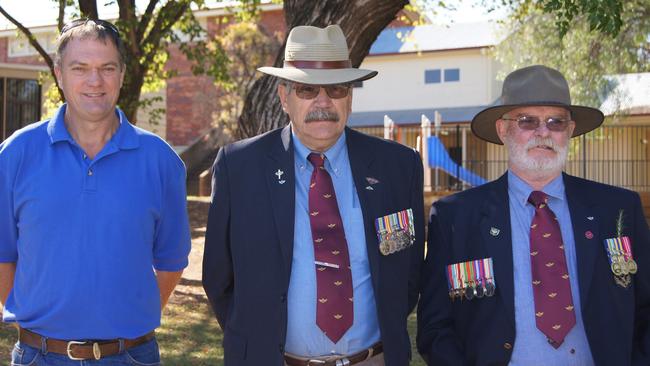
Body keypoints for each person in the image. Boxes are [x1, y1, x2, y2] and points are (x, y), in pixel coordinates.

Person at [202, 24, 424, 366]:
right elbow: (219, 278)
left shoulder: (398, 166)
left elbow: (407, 275)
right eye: (307, 89)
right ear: (283, 97)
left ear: (349, 96)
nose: (323, 102)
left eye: (335, 89)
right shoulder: (240, 167)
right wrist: (255, 337)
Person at [416, 64, 650, 365]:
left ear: (570, 130)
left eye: (556, 122)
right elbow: (435, 327)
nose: (543, 133)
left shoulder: (617, 209)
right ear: (503, 130)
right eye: (527, 121)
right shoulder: (455, 218)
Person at [0, 19, 191, 365]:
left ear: (122, 75)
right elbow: (2, 256)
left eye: (107, 68)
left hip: (132, 356)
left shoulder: (161, 161)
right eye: (80, 68)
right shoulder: (16, 154)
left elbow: (171, 261)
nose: (94, 81)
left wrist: (123, 323)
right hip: (39, 356)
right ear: (59, 73)